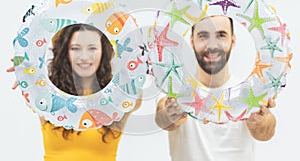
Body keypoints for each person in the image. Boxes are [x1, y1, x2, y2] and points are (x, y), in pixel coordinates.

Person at [7, 23, 141, 161]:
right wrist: (25, 73)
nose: (84, 56)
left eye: (92, 48)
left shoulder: (118, 96)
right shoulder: (48, 94)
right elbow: (30, 75)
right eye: (75, 48)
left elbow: (135, 76)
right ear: (66, 52)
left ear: (104, 51)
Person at [155, 15, 276, 161]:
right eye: (203, 36)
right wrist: (172, 112)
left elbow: (265, 133)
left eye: (221, 35)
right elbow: (163, 118)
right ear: (192, 41)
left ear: (233, 40)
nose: (212, 45)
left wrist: (260, 118)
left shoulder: (249, 93)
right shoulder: (175, 90)